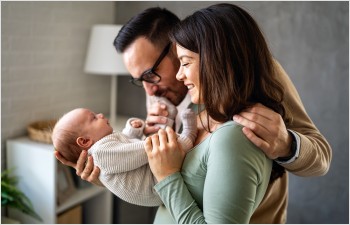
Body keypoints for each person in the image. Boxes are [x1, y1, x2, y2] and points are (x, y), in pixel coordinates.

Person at [55, 4, 332, 223]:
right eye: (140, 81)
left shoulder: (255, 73)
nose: (149, 91)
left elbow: (320, 157)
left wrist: (285, 144)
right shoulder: (160, 93)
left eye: (152, 75)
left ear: (176, 48)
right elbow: (168, 176)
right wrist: (109, 175)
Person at [51, 104, 197, 207]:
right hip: (155, 186)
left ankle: (174, 128)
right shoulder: (101, 155)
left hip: (155, 180)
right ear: (85, 141)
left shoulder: (105, 148)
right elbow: (132, 153)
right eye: (94, 118)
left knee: (157, 143)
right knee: (162, 145)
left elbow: (124, 147)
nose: (101, 115)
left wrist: (132, 130)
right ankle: (188, 137)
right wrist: (155, 142)